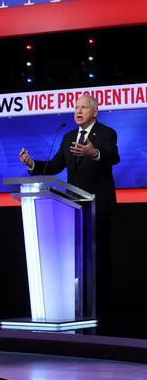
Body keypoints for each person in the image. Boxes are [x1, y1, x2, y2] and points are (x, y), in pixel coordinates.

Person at [19, 94, 120, 318]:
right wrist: (32, 164)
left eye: (84, 107)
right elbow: (54, 166)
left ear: (95, 112)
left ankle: (102, 310)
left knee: (100, 259)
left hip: (98, 208)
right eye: (76, 107)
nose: (78, 111)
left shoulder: (106, 133)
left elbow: (113, 157)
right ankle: (80, 307)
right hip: (73, 208)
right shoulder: (68, 137)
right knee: (78, 261)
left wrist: (93, 152)